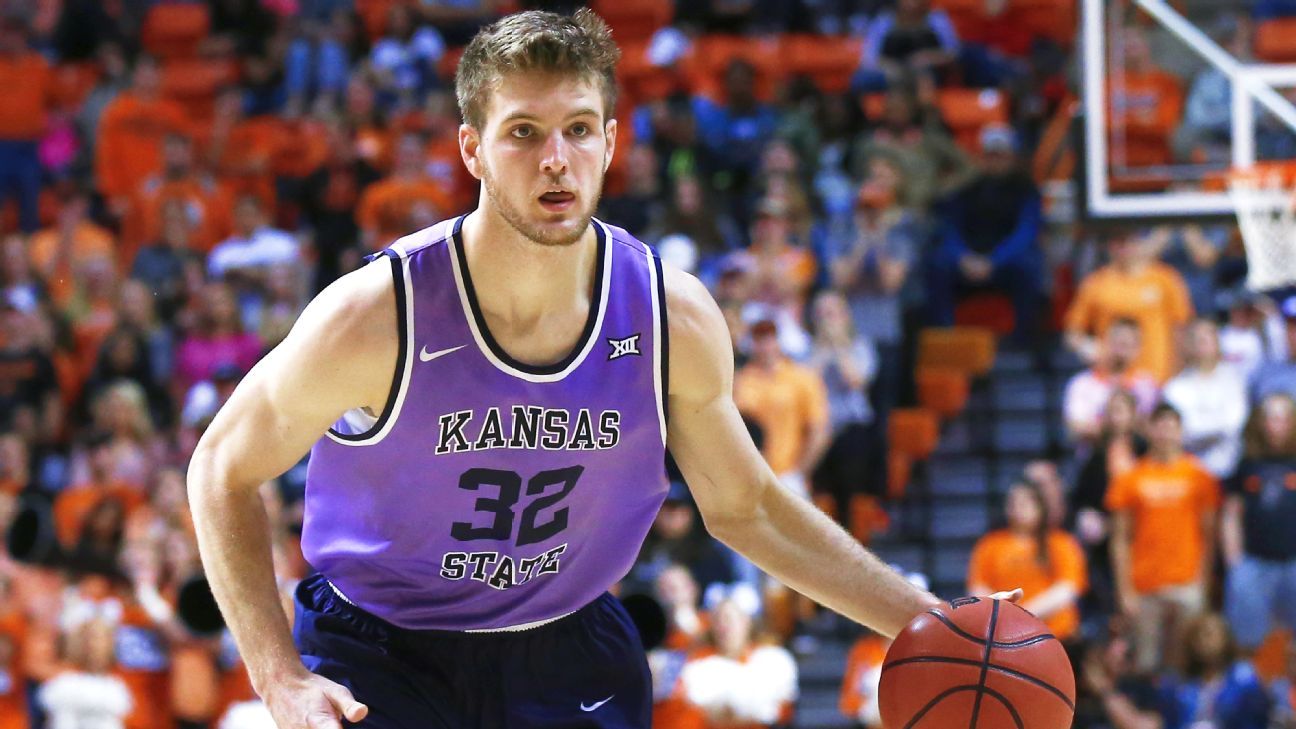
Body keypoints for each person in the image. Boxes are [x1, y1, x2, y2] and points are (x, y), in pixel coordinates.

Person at [188, 11, 985, 729]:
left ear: (610, 140)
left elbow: (749, 508)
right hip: (378, 652)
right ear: (473, 148)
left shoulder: (671, 314)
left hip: (569, 644)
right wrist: (279, 676)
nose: (556, 161)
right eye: (523, 133)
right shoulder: (375, 316)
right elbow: (221, 465)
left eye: (576, 129)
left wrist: (927, 621)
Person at [1107, 403, 1220, 675]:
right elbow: (1120, 538)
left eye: (1172, 427)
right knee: (1144, 663)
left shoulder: (1199, 476)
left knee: (1187, 661)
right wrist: (1125, 591)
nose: (1165, 433)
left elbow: (1209, 537)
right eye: (1159, 426)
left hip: (1187, 581)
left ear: (1181, 432)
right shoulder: (1131, 478)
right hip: (1145, 583)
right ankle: (1149, 715)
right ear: (1149, 430)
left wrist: (1204, 583)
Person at [1065, 230, 1194, 384]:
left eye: (1128, 241)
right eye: (1118, 242)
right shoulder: (1096, 283)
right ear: (1109, 246)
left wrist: (1177, 369)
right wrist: (1088, 348)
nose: (1123, 248)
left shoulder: (1164, 278)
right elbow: (1072, 332)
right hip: (1112, 382)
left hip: (1158, 376)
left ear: (1138, 242)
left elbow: (1182, 326)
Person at [1222, 394, 1296, 657]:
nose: (1276, 424)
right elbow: (1231, 514)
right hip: (1254, 564)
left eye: (1282, 417)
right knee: (1247, 642)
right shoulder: (1247, 464)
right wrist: (1235, 561)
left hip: (1292, 563)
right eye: (1271, 417)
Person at [967, 482, 1087, 643]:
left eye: (1025, 502)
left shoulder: (1061, 543)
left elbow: (1067, 589)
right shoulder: (990, 545)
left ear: (1040, 506)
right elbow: (978, 589)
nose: (1018, 508)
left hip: (1056, 636)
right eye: (1013, 502)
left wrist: (1025, 614)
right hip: (1004, 636)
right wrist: (1003, 616)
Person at [1163, 318, 1249, 479]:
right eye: (1197, 339)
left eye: (1207, 338)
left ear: (1217, 342)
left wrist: (1201, 429)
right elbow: (1183, 432)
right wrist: (1216, 427)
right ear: (1188, 345)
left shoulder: (1234, 379)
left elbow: (1233, 423)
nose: (1202, 343)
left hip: (1231, 470)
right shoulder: (1175, 387)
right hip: (1189, 474)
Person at [1156, 613, 1271, 729]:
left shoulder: (1244, 679)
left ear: (1225, 638)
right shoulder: (1177, 683)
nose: (1203, 641)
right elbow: (1169, 722)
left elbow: (1254, 721)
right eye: (1197, 636)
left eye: (1209, 635)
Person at [1062, 317, 1160, 443]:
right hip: (1094, 457)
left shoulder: (1147, 385)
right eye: (1118, 344)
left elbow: (1153, 427)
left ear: (1138, 348)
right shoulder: (1083, 383)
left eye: (1128, 345)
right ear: (1106, 343)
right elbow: (1075, 427)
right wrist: (1119, 425)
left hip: (1138, 457)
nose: (1122, 352)